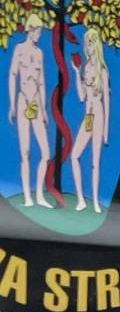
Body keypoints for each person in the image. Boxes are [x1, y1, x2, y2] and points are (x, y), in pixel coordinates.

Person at [9, 25, 53, 207]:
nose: (39, 36)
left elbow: (41, 82)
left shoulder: (39, 53)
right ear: (30, 31)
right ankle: (27, 196)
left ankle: (40, 195)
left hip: (36, 103)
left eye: (40, 33)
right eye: (37, 32)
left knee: (45, 152)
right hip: (22, 101)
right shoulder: (19, 49)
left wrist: (44, 109)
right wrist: (12, 104)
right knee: (25, 151)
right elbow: (13, 75)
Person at [66, 28, 110, 212]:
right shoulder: (85, 68)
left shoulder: (102, 70)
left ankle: (96, 201)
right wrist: (77, 73)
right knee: (74, 156)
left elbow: (106, 101)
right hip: (88, 116)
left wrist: (106, 131)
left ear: (96, 45)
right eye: (87, 44)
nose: (88, 47)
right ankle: (80, 200)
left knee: (95, 162)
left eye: (91, 43)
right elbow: (82, 96)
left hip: (98, 114)